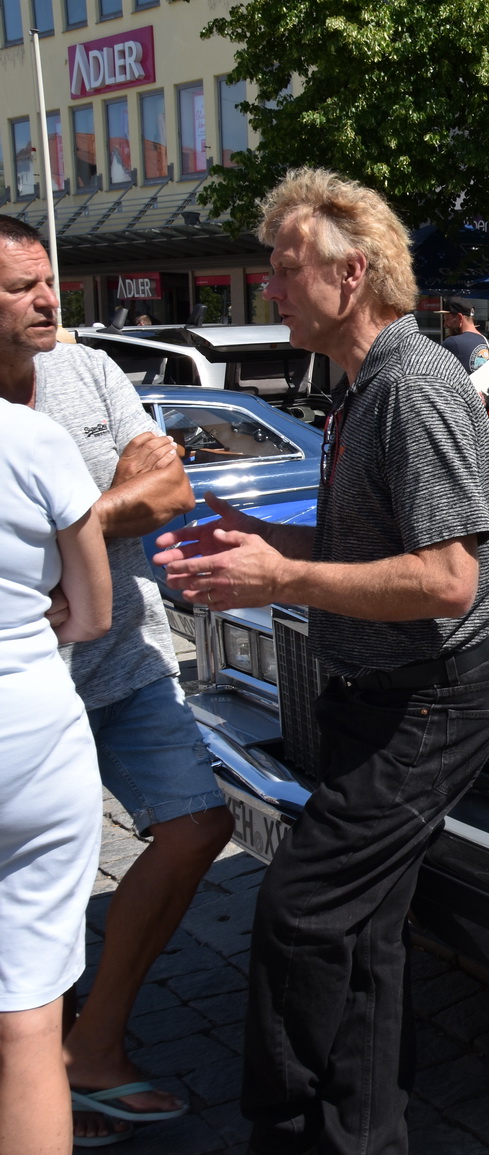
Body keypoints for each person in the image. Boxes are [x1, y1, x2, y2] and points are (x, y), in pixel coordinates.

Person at [153, 168, 489, 1155]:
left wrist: (280, 576)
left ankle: (286, 1128)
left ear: (352, 275)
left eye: (285, 265)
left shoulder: (414, 385)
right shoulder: (359, 389)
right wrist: (264, 538)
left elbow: (447, 581)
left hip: (428, 706)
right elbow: (369, 551)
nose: (269, 284)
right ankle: (362, 1136)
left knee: (300, 912)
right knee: (362, 938)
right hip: (375, 701)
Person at [0, 216, 220, 1147]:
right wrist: (89, 516)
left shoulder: (88, 371)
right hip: (29, 686)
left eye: (48, 281)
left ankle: (91, 1044)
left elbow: (173, 489)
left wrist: (57, 524)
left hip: (121, 662)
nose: (47, 300)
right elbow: (123, 502)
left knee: (197, 826)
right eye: (21, 288)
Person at [438, 297, 489, 373]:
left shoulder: (452, 343)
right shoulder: (487, 343)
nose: (445, 325)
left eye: (447, 319)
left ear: (459, 318)